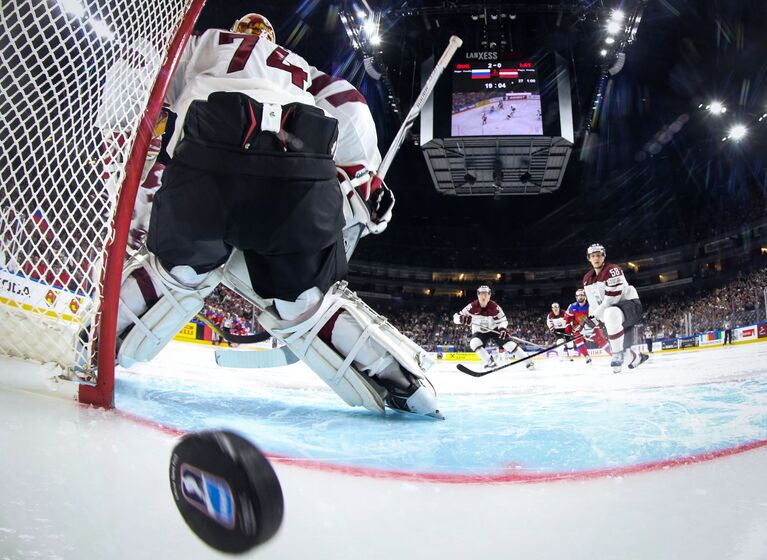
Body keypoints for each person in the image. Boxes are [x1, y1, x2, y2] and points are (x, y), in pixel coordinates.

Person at [103, 13, 441, 419]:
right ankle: (405, 387)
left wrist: (120, 141)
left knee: (180, 273)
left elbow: (139, 61)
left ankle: (97, 346)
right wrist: (360, 182)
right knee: (302, 303)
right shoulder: (302, 70)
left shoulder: (202, 42)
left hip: (211, 149)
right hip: (297, 162)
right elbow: (351, 103)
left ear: (237, 32)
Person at [583, 243, 649, 373]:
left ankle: (617, 354)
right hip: (610, 310)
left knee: (610, 313)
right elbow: (593, 303)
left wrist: (596, 318)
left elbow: (613, 298)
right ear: (589, 258)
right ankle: (635, 357)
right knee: (610, 316)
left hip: (629, 305)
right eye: (593, 256)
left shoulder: (613, 270)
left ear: (604, 257)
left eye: (599, 255)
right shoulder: (587, 279)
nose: (596, 258)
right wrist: (591, 320)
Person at [453, 285, 535, 370]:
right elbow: (455, 318)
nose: (483, 296)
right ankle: (489, 362)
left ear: (489, 295)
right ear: (478, 295)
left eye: (486, 294)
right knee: (474, 343)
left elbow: (503, 320)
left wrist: (502, 329)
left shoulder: (495, 307)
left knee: (509, 345)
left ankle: (529, 361)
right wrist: (461, 319)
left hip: (494, 329)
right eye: (481, 294)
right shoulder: (471, 307)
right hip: (479, 331)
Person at [564, 288, 598, 364]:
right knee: (578, 340)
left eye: (582, 295)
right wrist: (568, 325)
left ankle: (613, 353)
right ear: (576, 297)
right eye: (578, 295)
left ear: (585, 296)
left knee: (600, 339)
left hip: (590, 327)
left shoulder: (591, 305)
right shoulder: (571, 306)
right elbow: (568, 318)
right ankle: (587, 356)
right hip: (578, 328)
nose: (580, 297)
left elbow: (594, 318)